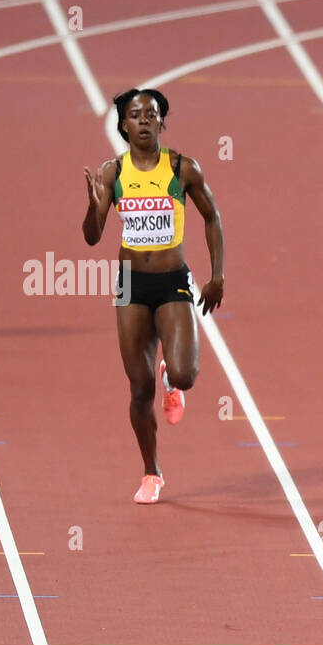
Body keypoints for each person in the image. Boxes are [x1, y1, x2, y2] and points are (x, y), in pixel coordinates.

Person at [82, 88, 225, 504]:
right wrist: (93, 208)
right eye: (135, 114)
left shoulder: (182, 168)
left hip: (172, 281)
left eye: (152, 113)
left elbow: (212, 216)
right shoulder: (114, 173)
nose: (144, 120)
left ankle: (171, 378)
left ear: (162, 121)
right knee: (138, 389)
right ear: (123, 125)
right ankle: (151, 472)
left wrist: (217, 275)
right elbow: (92, 238)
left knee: (185, 375)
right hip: (131, 286)